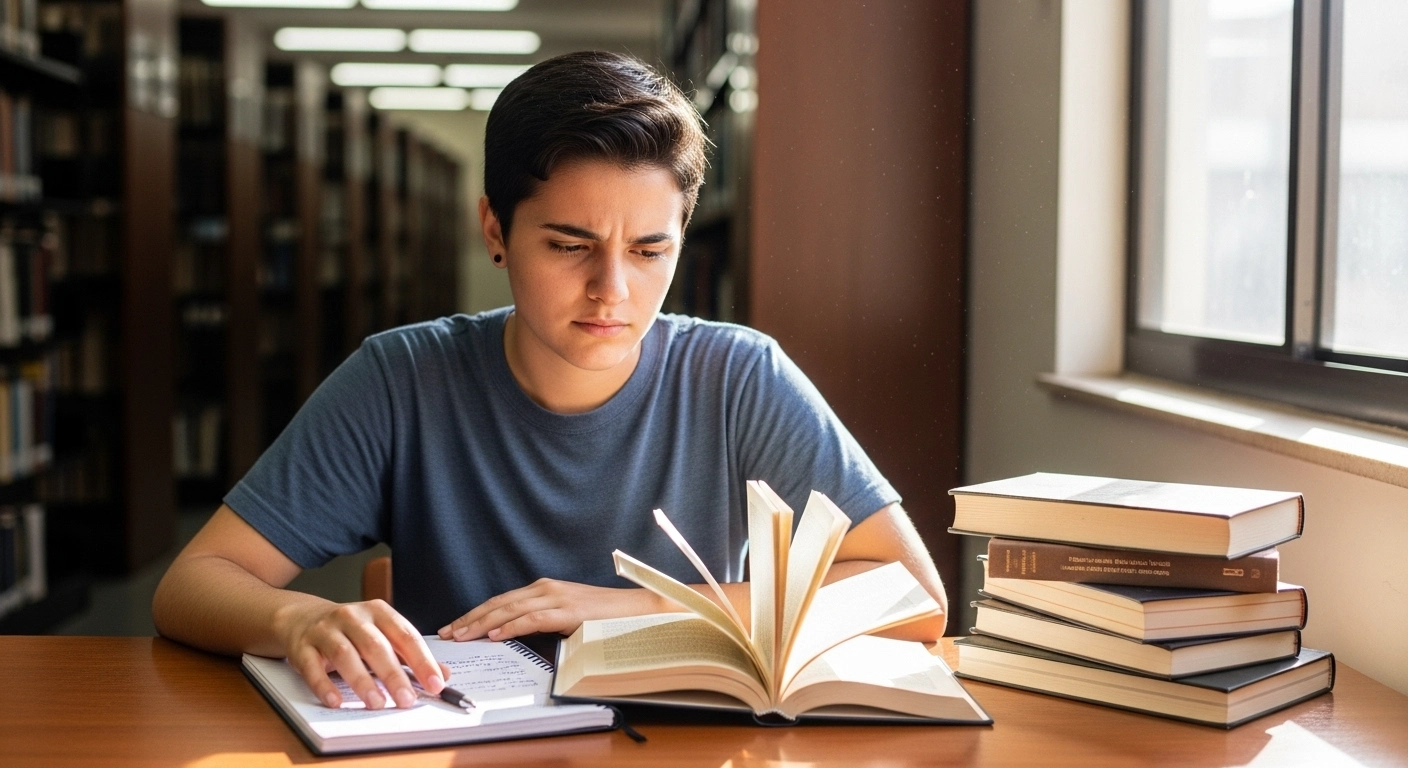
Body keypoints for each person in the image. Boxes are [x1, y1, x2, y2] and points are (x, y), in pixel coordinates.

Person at [152, 50, 947, 714]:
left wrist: (635, 606)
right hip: (463, 743)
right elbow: (192, 584)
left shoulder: (738, 375)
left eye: (648, 251)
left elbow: (911, 594)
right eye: (570, 246)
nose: (613, 291)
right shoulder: (401, 377)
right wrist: (298, 618)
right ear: (495, 230)